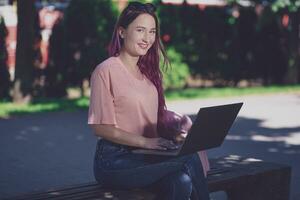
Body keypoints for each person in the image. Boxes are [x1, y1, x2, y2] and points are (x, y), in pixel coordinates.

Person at [88, 2, 210, 200]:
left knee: (181, 181)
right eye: (140, 30)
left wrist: (173, 137)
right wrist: (147, 142)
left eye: (152, 31)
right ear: (122, 32)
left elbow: (150, 120)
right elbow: (100, 128)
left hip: (145, 155)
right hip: (114, 160)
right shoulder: (106, 70)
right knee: (189, 159)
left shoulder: (148, 75)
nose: (147, 38)